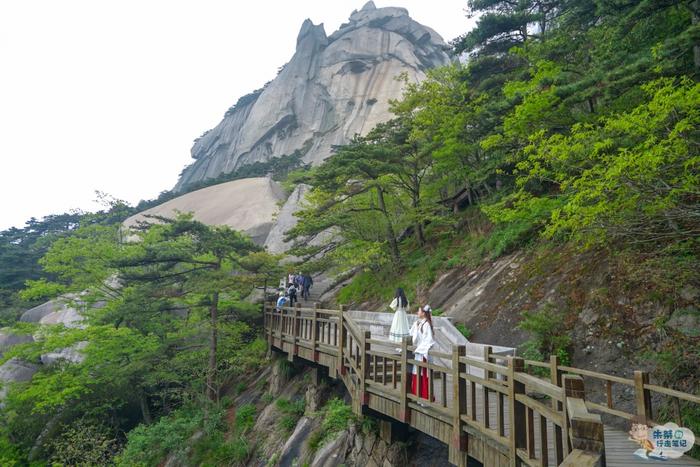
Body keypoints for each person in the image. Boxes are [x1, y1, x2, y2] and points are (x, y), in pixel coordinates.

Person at [410, 305, 436, 402]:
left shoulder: (426, 325)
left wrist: (421, 349)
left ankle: (425, 398)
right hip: (419, 352)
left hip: (423, 353)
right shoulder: (421, 323)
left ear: (423, 313)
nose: (417, 312)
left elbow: (429, 340)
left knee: (423, 374)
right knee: (418, 373)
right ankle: (418, 396)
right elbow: (414, 338)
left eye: (419, 311)